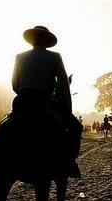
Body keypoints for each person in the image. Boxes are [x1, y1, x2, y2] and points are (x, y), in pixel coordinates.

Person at [11, 25, 82, 177]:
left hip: (21, 103)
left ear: (32, 41)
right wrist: (67, 111)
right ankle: (70, 163)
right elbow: (63, 86)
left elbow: (14, 85)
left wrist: (25, 94)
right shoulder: (55, 57)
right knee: (77, 127)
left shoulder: (19, 57)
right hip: (46, 103)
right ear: (46, 41)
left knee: (4, 125)